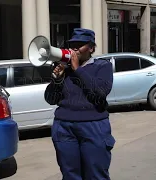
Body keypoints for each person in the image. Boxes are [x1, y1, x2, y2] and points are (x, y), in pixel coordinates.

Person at [44, 28, 116, 180]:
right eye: (72, 44)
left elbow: (100, 92)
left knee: (96, 174)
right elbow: (51, 99)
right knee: (70, 174)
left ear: (91, 48)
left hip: (93, 126)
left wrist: (77, 69)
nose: (75, 48)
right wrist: (57, 80)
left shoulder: (102, 66)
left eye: (80, 45)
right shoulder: (65, 69)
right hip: (64, 127)